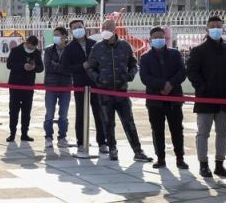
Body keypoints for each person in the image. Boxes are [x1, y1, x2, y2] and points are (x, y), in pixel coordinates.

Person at [86, 18, 150, 162]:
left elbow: (134, 64)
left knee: (129, 122)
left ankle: (138, 150)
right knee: (108, 123)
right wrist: (98, 79)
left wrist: (129, 76)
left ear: (115, 30)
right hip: (104, 92)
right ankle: (112, 149)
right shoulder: (97, 47)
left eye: (109, 27)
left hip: (122, 92)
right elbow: (90, 67)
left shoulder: (125, 46)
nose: (106, 30)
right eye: (104, 27)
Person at [186, 15, 226, 178]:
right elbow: (192, 72)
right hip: (205, 100)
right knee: (203, 133)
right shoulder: (198, 50)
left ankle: (219, 164)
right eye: (213, 26)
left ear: (223, 28)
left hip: (224, 100)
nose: (216, 29)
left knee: (223, 133)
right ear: (207, 29)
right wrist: (202, 88)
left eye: (219, 26)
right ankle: (203, 165)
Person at [139, 26, 188, 169]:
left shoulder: (175, 54)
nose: (159, 40)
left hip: (174, 99)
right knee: (157, 130)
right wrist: (162, 85)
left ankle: (180, 158)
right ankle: (160, 158)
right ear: (150, 40)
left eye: (161, 37)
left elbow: (182, 72)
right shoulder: (145, 57)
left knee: (177, 129)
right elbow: (145, 77)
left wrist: (171, 84)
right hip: (155, 101)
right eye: (156, 38)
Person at [60, 19, 108, 153]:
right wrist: (81, 66)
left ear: (84, 27)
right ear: (71, 31)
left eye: (79, 27)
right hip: (80, 85)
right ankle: (81, 142)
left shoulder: (95, 44)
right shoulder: (69, 48)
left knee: (99, 113)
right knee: (80, 114)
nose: (78, 29)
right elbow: (65, 68)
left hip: (96, 84)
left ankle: (102, 142)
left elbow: (103, 62)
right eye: (74, 28)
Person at [6, 35, 44, 142]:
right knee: (13, 110)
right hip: (15, 85)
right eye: (30, 47)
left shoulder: (36, 53)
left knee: (27, 111)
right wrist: (23, 66)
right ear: (26, 43)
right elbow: (9, 65)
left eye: (33, 48)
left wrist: (34, 67)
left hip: (28, 85)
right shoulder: (16, 50)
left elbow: (41, 68)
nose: (31, 49)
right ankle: (12, 133)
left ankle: (24, 133)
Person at [43, 27, 73, 149]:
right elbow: (48, 67)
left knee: (64, 113)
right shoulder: (49, 50)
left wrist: (59, 66)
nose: (55, 37)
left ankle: (62, 137)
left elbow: (70, 69)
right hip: (51, 85)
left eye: (57, 35)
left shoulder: (71, 50)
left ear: (65, 36)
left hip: (66, 85)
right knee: (49, 113)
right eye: (54, 35)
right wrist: (62, 67)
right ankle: (48, 137)